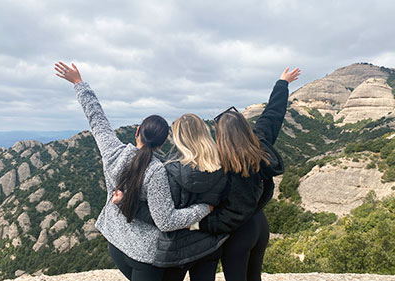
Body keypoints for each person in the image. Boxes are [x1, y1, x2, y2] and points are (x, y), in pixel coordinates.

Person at [54, 62, 212, 281]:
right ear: (163, 141)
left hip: (116, 244)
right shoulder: (157, 171)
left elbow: (97, 119)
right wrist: (203, 208)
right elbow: (165, 221)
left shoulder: (113, 152)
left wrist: (78, 83)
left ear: (137, 131)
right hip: (144, 257)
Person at [197, 67, 301, 281]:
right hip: (260, 225)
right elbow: (272, 115)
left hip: (240, 233)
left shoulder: (223, 165)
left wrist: (198, 223)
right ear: (245, 128)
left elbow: (231, 216)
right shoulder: (260, 144)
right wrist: (282, 84)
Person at [113, 113, 229, 281]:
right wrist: (206, 212)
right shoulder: (223, 166)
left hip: (179, 249)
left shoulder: (169, 171)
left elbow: (162, 219)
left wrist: (126, 203)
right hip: (210, 243)